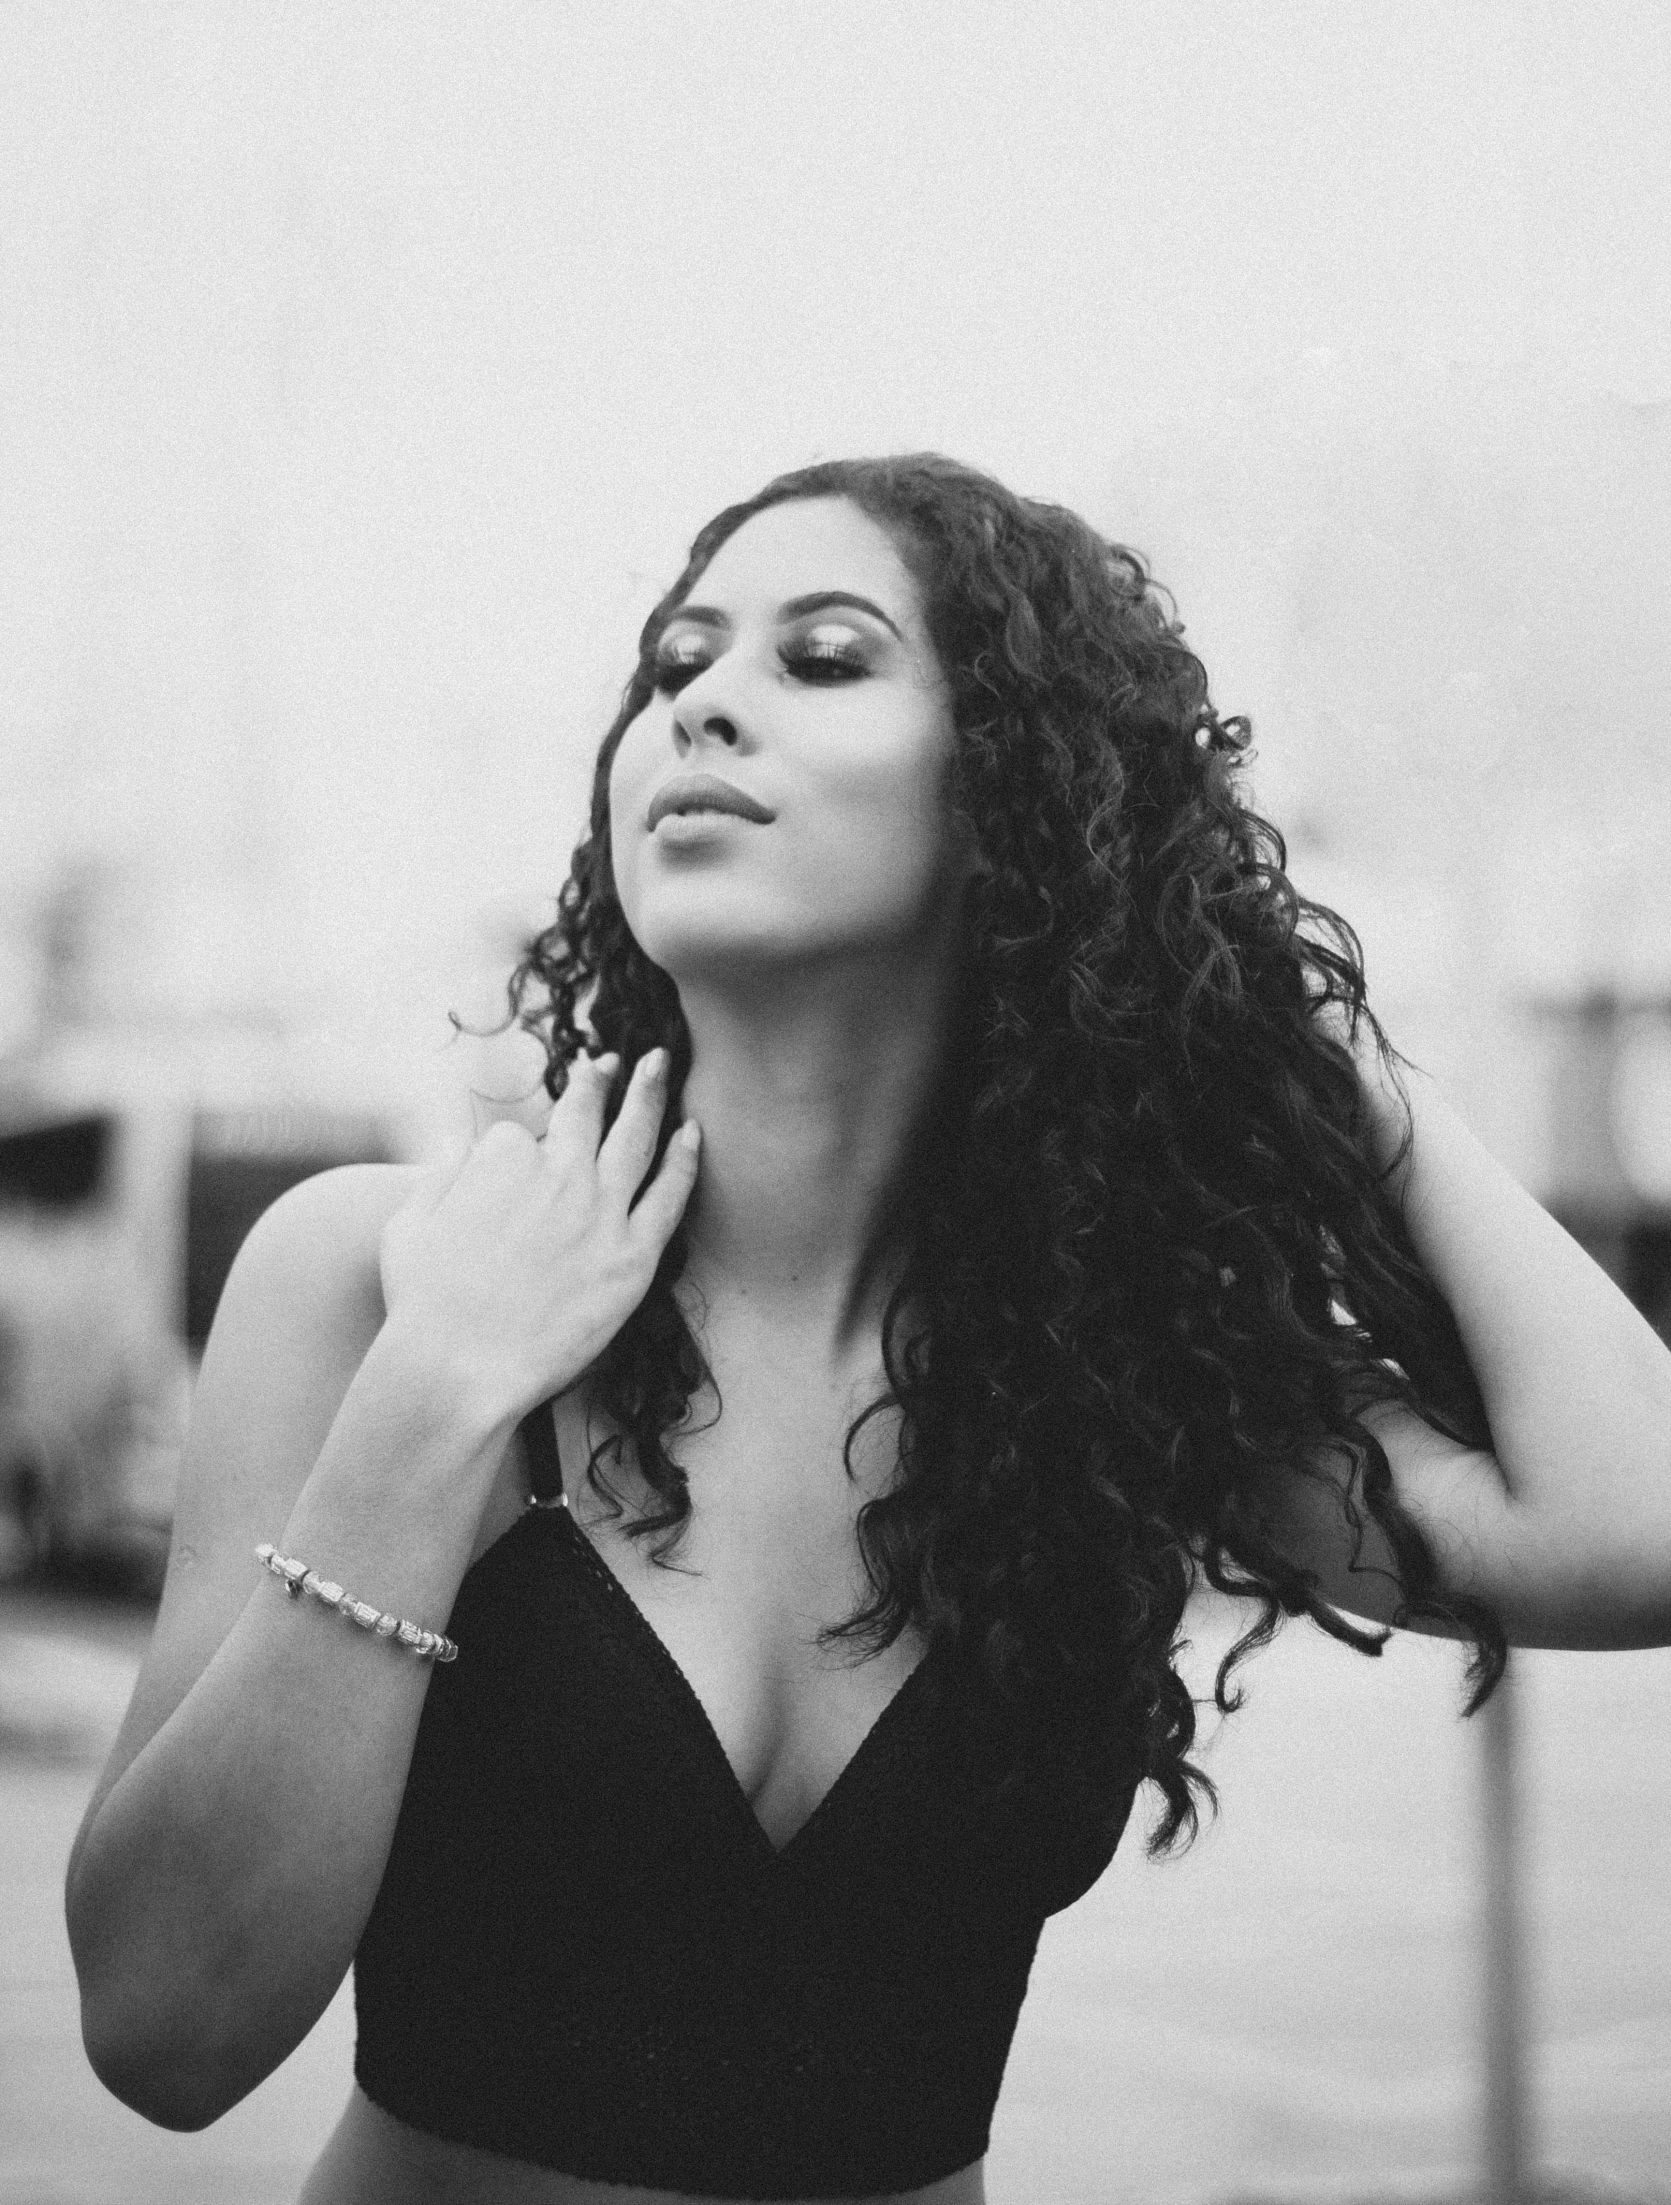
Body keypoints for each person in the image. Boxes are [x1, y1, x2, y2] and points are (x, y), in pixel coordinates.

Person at [65, 454, 1671, 2205]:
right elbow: (165, 2033)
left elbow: (1631, 1534)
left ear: (1021, 802)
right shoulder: (380, 1272)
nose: (704, 707)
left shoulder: (1106, 1363)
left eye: (818, 659)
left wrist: (1300, 1042)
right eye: (676, 668)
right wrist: (434, 1400)